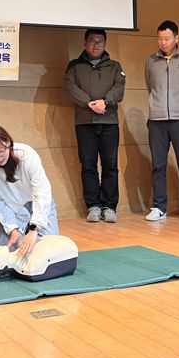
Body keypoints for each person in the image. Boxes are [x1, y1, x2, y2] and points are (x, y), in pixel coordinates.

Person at [64, 28, 126, 223]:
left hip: (109, 122)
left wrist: (105, 102)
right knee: (88, 165)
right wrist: (89, 103)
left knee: (110, 166)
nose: (96, 44)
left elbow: (119, 89)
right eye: (92, 40)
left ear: (105, 44)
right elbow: (70, 87)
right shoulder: (74, 66)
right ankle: (93, 206)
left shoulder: (115, 66)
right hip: (84, 122)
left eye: (100, 41)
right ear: (85, 43)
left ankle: (109, 206)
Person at [144, 20, 179, 223]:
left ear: (177, 38)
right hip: (157, 120)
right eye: (160, 38)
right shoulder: (151, 61)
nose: (163, 42)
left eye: (167, 38)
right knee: (158, 165)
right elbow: (150, 87)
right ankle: (159, 207)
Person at [0, 124, 59, 259]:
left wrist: (34, 229)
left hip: (38, 205)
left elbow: (42, 191)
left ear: (7, 142)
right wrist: (12, 229)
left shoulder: (26, 155)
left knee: (46, 252)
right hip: (13, 210)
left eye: (0, 151)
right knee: (5, 257)